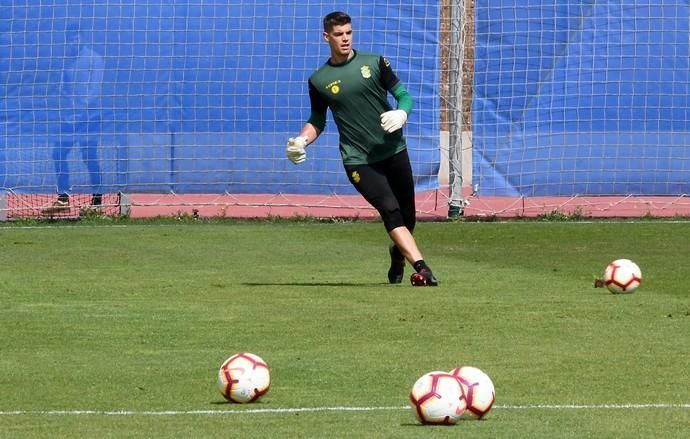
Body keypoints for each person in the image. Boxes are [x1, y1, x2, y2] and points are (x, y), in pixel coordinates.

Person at [286, 11, 438, 286]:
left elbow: (403, 96)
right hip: (358, 160)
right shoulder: (319, 80)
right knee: (390, 210)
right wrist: (301, 140)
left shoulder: (375, 62)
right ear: (326, 37)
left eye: (348, 33)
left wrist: (402, 114)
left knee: (408, 218)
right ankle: (422, 268)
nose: (345, 39)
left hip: (394, 151)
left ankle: (397, 254)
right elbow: (317, 120)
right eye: (338, 34)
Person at [43, 22, 104, 214]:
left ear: (82, 37)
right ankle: (63, 199)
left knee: (89, 157)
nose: (73, 41)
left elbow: (94, 91)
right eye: (70, 39)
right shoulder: (66, 61)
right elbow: (61, 90)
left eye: (76, 37)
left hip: (89, 119)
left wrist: (79, 111)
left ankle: (97, 202)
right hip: (69, 120)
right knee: (58, 154)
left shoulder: (95, 59)